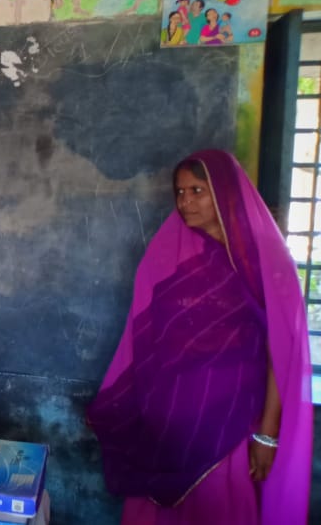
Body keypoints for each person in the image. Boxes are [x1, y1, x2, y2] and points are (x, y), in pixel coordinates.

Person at [87, 150, 312, 524]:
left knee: (219, 503)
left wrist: (268, 434)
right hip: (169, 417)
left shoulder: (266, 261)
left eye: (197, 191)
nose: (185, 202)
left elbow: (280, 352)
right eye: (180, 192)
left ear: (224, 192)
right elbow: (146, 336)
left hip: (230, 420)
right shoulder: (170, 254)